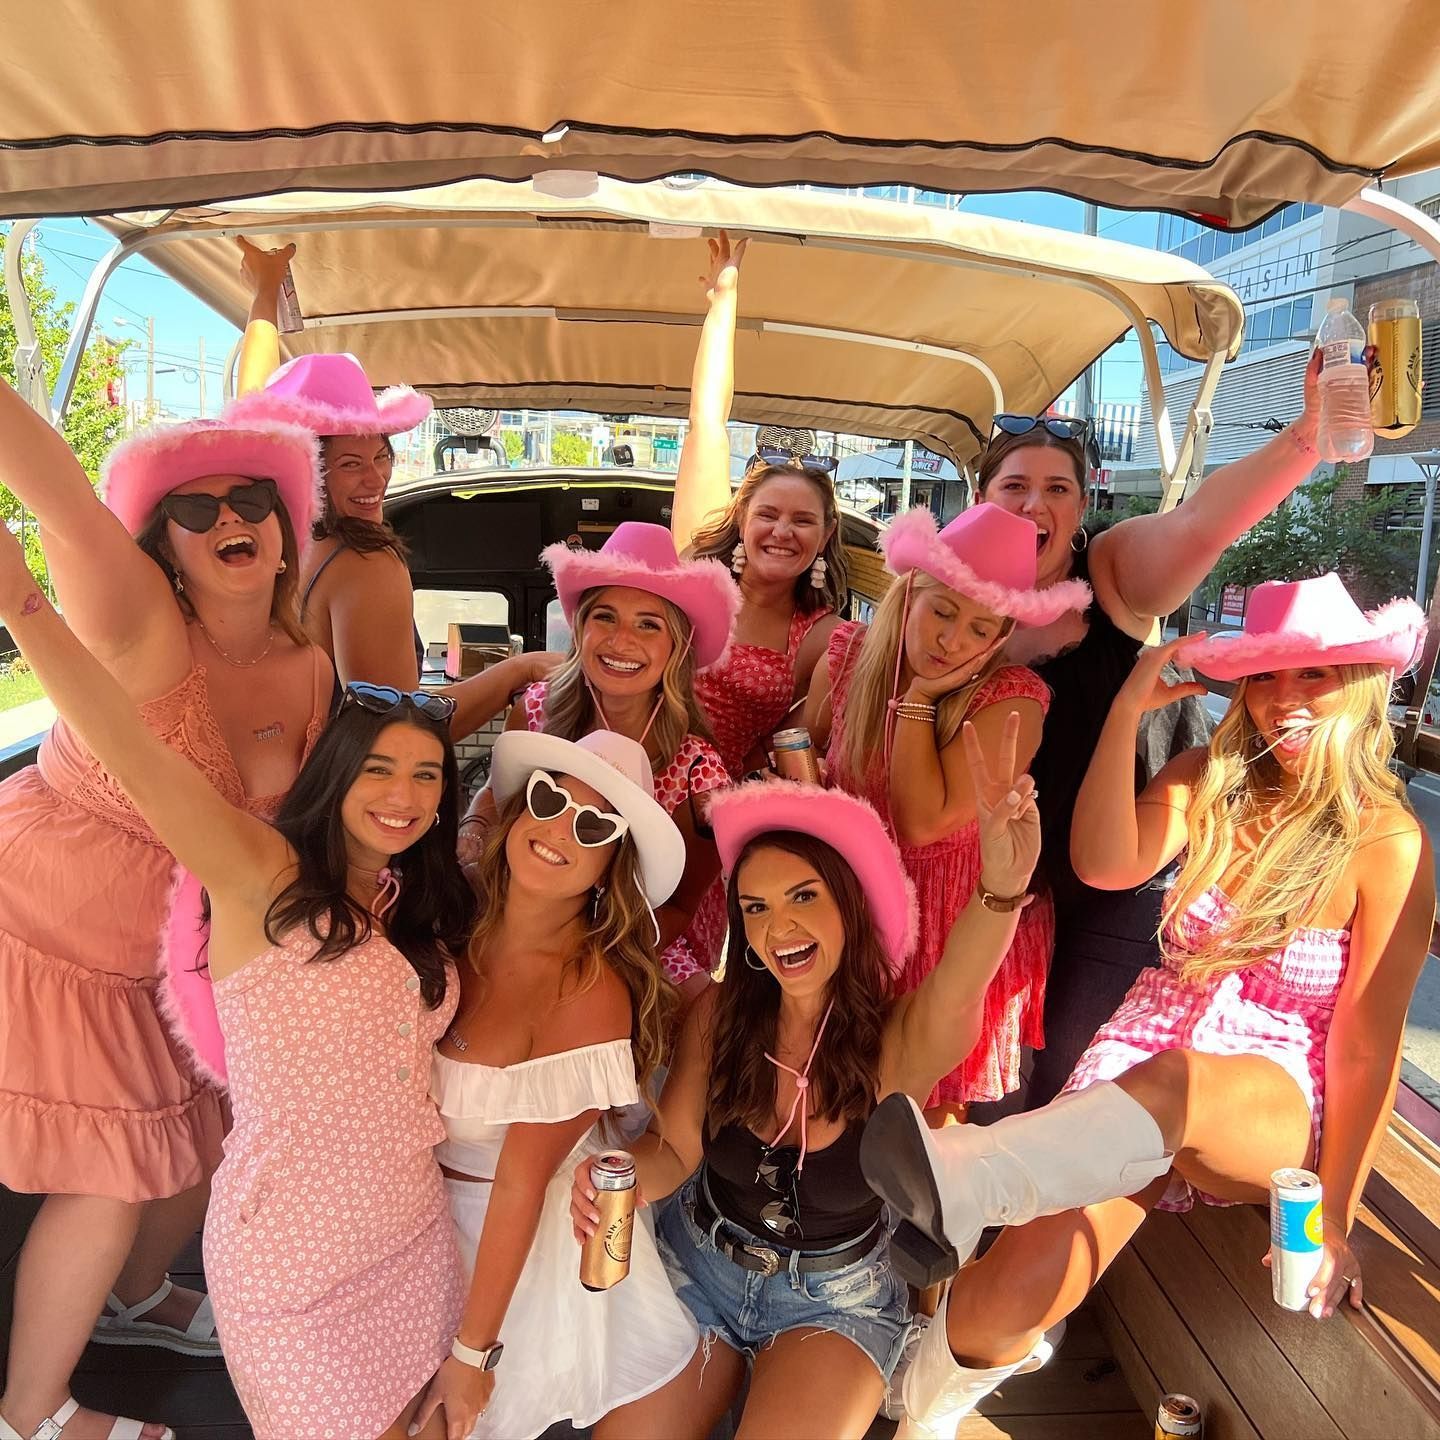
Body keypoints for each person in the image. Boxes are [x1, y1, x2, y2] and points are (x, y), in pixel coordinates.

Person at [859, 573, 1434, 1438]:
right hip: (1142, 1067)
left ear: (1360, 683)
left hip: (1275, 1096)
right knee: (1003, 1297)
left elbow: (1366, 1049)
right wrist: (1128, 706)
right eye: (1265, 677)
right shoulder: (1208, 776)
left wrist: (1335, 1220)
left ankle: (968, 1173)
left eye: (1313, 675)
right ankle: (922, 1410)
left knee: (1180, 1083)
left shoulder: (1388, 839)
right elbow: (1101, 862)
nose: (1284, 700)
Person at [0, 506, 478, 1438]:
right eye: (380, 769)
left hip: (413, 1235)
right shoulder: (259, 874)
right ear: (332, 772)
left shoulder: (415, 902)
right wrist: (23, 606)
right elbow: (133, 751)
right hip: (292, 1262)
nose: (404, 797)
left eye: (428, 779)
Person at [0, 375, 331, 1440]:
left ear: (287, 535)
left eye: (251, 503)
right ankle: (32, 1412)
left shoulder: (311, 665)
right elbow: (52, 489)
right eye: (194, 510)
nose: (227, 519)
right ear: (165, 544)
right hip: (45, 940)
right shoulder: (140, 618)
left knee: (204, 1138)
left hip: (177, 958)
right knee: (104, 1179)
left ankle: (141, 1303)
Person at [570, 713, 1046, 1440]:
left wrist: (1002, 888)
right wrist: (619, 1174)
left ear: (848, 909)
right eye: (755, 908)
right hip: (700, 1264)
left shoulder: (895, 1040)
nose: (778, 927)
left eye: (803, 897)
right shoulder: (720, 1016)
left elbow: (958, 990)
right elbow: (673, 1151)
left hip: (837, 1300)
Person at [970, 363, 1329, 1109]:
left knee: (1069, 1080)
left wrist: (1305, 440)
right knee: (987, 1083)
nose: (1036, 504)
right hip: (997, 882)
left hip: (1122, 877)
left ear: (1082, 502)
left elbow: (1201, 523)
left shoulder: (1114, 572)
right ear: (982, 499)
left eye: (1057, 489)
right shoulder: (954, 600)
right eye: (1014, 487)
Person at [418, 729, 699, 1440]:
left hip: (506, 1251)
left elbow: (518, 1183)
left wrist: (472, 1352)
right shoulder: (447, 921)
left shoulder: (588, 992)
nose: (560, 829)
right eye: (548, 797)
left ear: (612, 865)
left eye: (595, 823)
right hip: (403, 1222)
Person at [805, 502, 1089, 1112]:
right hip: (853, 909)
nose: (953, 640)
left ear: (1003, 637)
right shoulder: (848, 656)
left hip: (951, 926)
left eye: (980, 629)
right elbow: (800, 753)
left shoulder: (1014, 699)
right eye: (943, 611)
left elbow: (923, 821)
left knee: (926, 1116)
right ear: (909, 594)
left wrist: (918, 701)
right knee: (835, 1092)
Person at [466, 522, 737, 999]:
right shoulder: (533, 710)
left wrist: (578, 962)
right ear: (581, 627)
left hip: (633, 949)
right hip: (514, 926)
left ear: (676, 647)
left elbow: (681, 907)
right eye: (605, 617)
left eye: (649, 624)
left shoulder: (699, 770)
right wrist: (472, 831)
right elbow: (496, 797)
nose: (621, 640)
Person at [669, 234, 848, 777]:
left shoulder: (822, 635)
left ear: (826, 533)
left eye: (802, 520)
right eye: (768, 514)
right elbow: (708, 422)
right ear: (742, 518)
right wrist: (724, 299)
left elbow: (801, 746)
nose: (781, 531)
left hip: (715, 807)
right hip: (626, 770)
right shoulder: (697, 573)